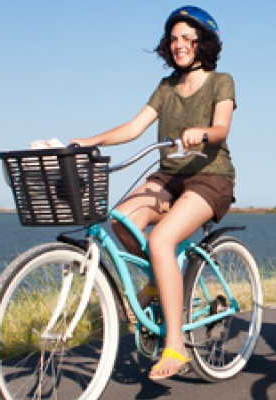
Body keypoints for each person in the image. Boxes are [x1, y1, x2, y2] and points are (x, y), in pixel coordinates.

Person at [71, 5, 236, 381]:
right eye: (173, 38)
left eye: (187, 38)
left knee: (161, 240)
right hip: (169, 177)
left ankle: (175, 344)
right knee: (122, 220)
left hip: (210, 178)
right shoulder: (165, 88)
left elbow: (222, 126)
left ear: (202, 42)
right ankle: (159, 283)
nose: (178, 45)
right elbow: (134, 127)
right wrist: (92, 140)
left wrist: (204, 133)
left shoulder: (220, 81)